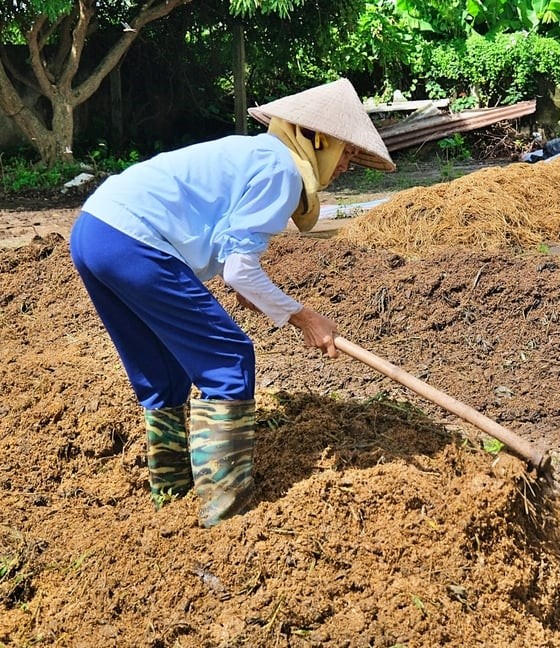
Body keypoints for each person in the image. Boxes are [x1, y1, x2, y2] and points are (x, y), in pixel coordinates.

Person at [70, 78, 395, 527]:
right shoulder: (280, 169)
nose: (346, 168)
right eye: (349, 154)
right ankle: (224, 516)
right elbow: (240, 269)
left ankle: (171, 497)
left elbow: (230, 260)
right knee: (229, 359)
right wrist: (305, 318)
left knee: (164, 374)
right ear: (319, 140)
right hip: (134, 239)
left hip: (94, 230)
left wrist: (254, 291)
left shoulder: (255, 154)